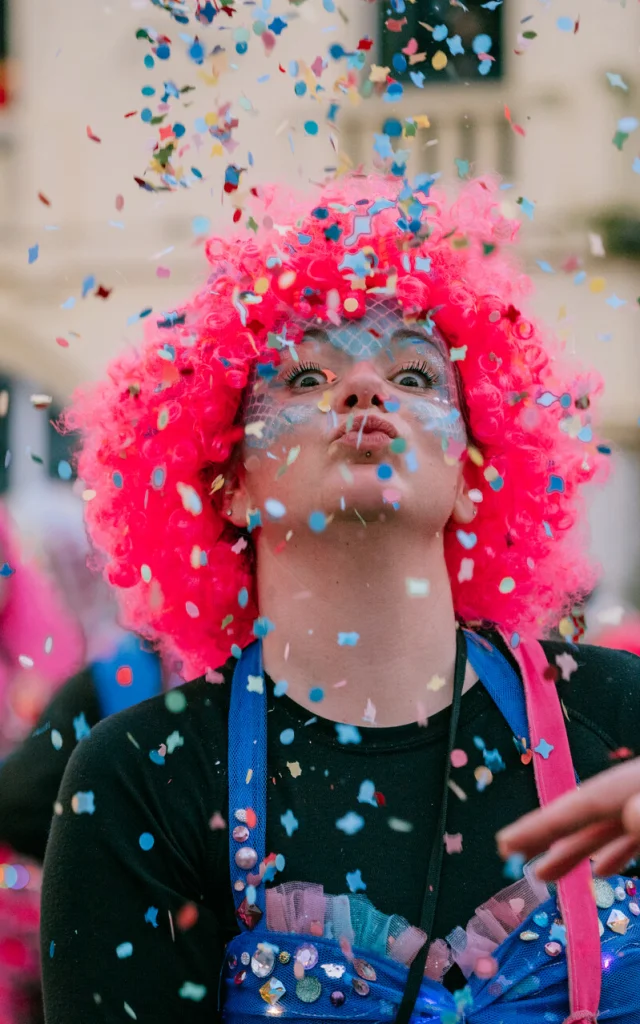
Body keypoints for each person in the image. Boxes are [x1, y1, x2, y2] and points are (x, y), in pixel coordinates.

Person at [39, 175, 640, 1024]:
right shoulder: (146, 775)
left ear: (473, 477)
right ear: (231, 487)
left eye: (414, 374)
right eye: (306, 373)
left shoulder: (617, 716)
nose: (364, 393)